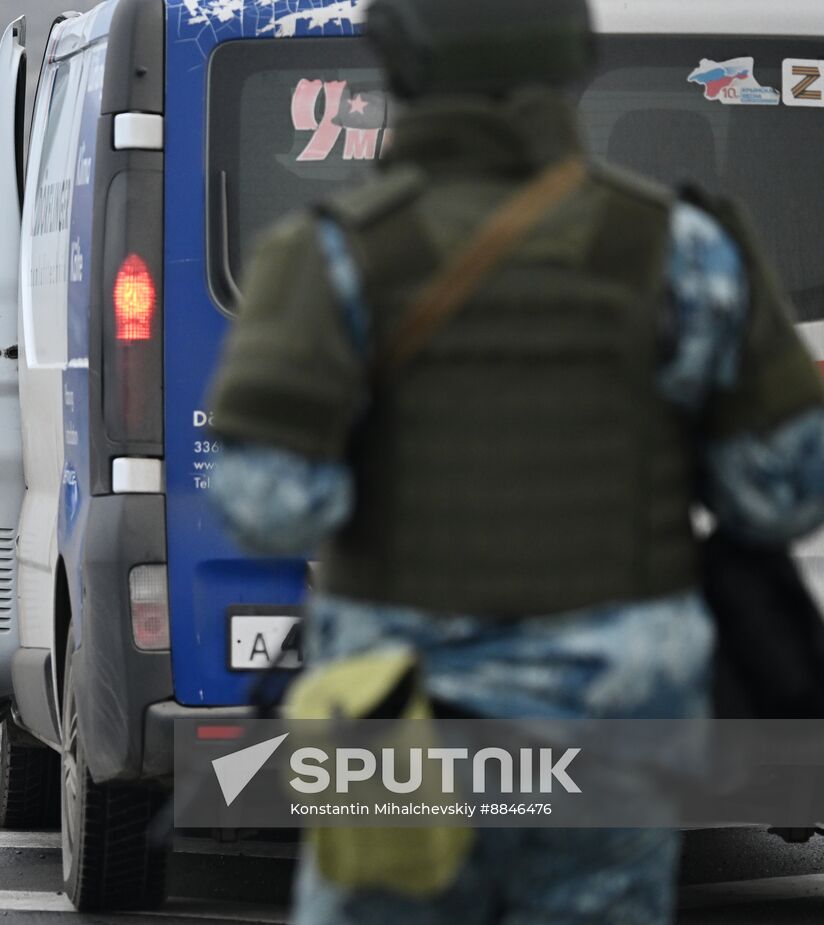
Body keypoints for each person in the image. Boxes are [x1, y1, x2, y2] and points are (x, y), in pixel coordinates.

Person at [206, 1, 824, 922]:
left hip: (398, 719)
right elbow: (784, 492)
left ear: (401, 65)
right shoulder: (683, 250)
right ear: (574, 60)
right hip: (614, 717)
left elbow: (268, 508)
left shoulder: (327, 256)